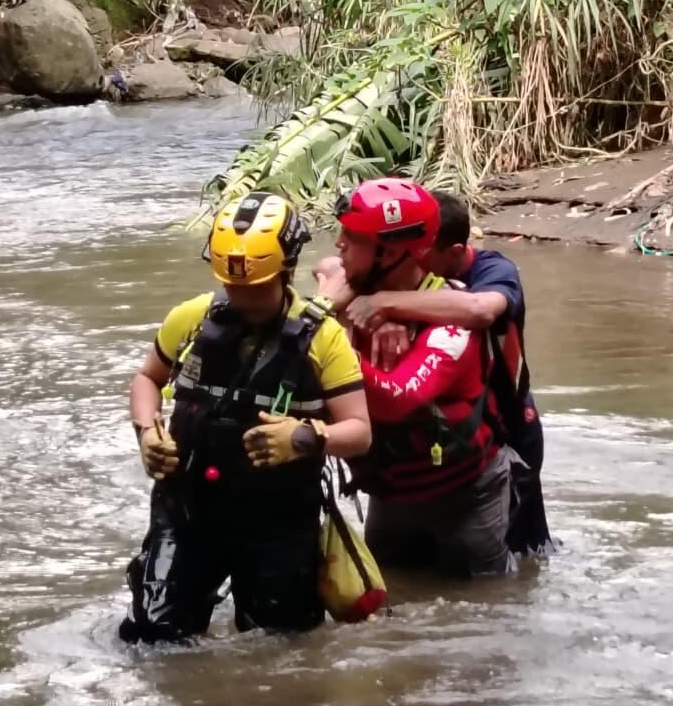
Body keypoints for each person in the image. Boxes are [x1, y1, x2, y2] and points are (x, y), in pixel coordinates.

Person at [120, 192, 372, 644]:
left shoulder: (325, 339)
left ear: (287, 270)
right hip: (188, 510)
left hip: (278, 520)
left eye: (258, 286)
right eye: (233, 286)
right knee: (153, 636)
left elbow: (359, 432)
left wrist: (306, 437)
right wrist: (146, 431)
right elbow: (147, 378)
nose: (243, 297)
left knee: (280, 647)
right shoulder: (191, 318)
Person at [320, 191, 553, 557]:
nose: (340, 244)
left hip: (502, 428)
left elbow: (478, 310)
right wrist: (354, 309)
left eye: (356, 238)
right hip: (398, 482)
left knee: (528, 547)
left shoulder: (489, 275)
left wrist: (383, 306)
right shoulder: (374, 280)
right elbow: (330, 266)